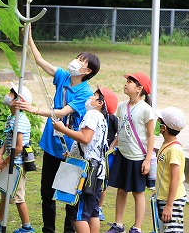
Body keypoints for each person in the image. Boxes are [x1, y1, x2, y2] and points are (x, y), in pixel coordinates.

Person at [20, 30, 100, 233]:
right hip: (51, 144)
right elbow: (39, 60)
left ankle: (68, 230)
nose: (75, 61)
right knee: (46, 192)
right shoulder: (63, 76)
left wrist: (35, 109)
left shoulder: (85, 93)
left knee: (68, 193)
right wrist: (28, 37)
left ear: (88, 71)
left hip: (70, 148)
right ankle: (48, 229)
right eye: (77, 57)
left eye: (81, 61)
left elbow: (63, 112)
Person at [52, 87, 118, 233]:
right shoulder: (102, 119)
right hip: (97, 172)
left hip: (87, 173)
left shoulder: (92, 114)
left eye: (94, 95)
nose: (90, 97)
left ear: (100, 103)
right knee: (92, 212)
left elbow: (86, 138)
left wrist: (62, 129)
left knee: (78, 215)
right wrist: (73, 154)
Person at [0, 83, 35, 233]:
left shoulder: (20, 120)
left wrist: (4, 163)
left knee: (18, 197)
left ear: (18, 101)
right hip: (11, 161)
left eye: (11, 92)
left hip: (16, 165)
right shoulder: (11, 116)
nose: (8, 95)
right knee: (5, 193)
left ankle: (27, 228)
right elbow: (8, 139)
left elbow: (19, 147)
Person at [106, 72, 156, 233]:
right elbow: (121, 132)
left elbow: (150, 136)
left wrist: (147, 159)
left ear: (139, 88)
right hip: (122, 154)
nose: (126, 84)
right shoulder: (122, 107)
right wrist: (112, 147)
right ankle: (118, 224)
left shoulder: (146, 110)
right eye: (126, 81)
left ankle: (137, 227)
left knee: (138, 193)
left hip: (137, 157)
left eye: (130, 82)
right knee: (121, 190)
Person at [154, 107, 187, 232]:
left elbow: (175, 178)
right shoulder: (167, 145)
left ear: (164, 127)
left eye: (159, 120)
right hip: (163, 196)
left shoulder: (174, 150)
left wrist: (169, 205)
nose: (156, 122)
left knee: (173, 230)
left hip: (173, 200)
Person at [97, 110, 118, 221]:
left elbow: (118, 133)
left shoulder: (112, 118)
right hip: (95, 152)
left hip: (106, 154)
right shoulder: (93, 116)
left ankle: (99, 207)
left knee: (103, 181)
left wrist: (111, 148)